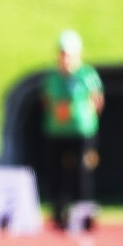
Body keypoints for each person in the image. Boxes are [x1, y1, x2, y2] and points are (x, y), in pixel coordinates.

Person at [41, 30, 104, 230]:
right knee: (57, 173)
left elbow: (97, 100)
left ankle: (84, 212)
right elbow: (46, 101)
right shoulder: (52, 78)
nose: (64, 59)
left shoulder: (86, 75)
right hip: (57, 132)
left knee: (82, 172)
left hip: (82, 132)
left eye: (68, 54)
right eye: (62, 54)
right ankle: (59, 212)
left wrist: (86, 117)